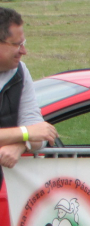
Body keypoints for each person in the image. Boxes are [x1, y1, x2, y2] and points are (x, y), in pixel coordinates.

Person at [0, 7, 58, 173]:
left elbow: (39, 131)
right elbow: (32, 130)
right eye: (17, 45)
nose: (23, 51)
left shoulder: (20, 71)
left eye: (23, 44)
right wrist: (25, 133)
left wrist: (21, 144)